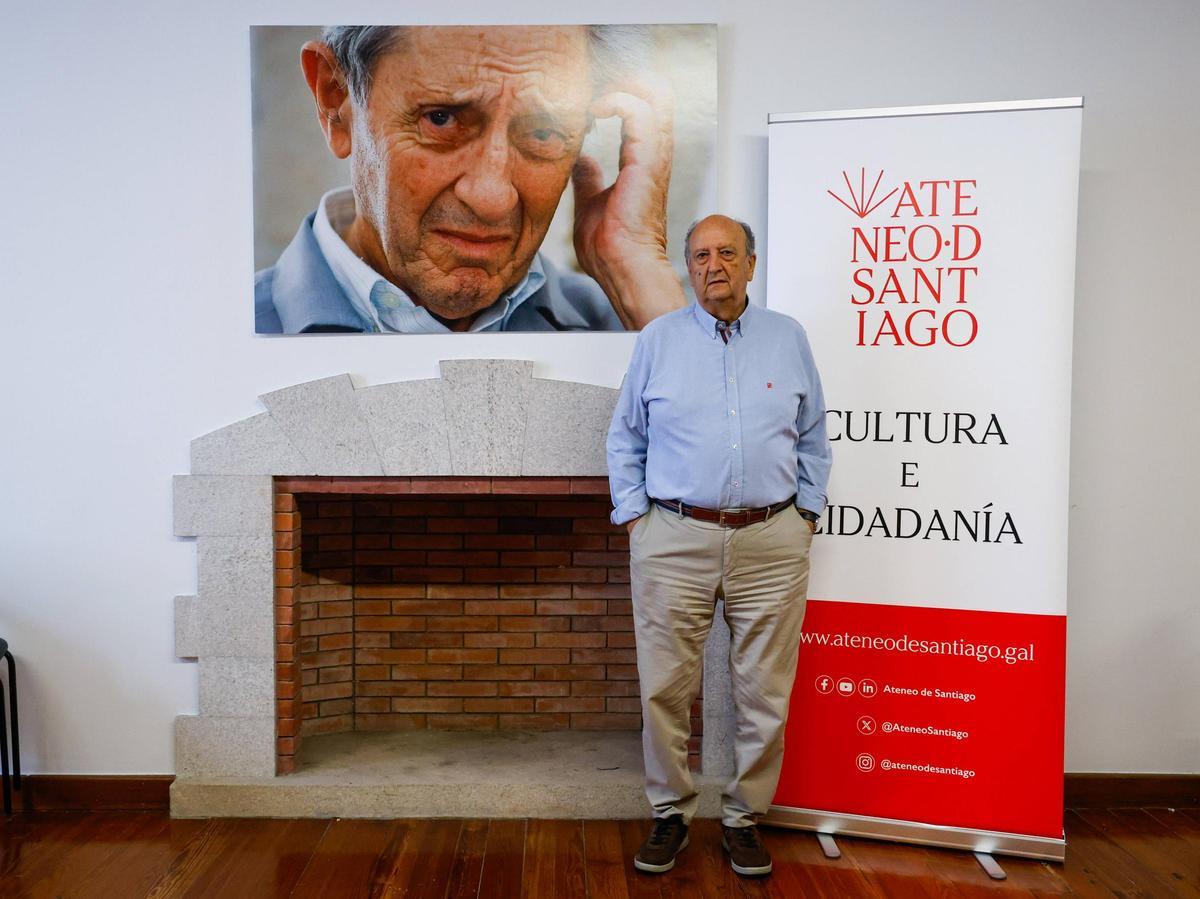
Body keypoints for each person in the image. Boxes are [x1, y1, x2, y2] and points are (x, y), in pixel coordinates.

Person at [606, 214, 832, 877]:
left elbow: (814, 432)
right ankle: (670, 812)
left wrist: (806, 513)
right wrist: (636, 519)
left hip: (772, 538)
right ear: (688, 267)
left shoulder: (788, 338)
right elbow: (625, 437)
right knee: (666, 685)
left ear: (751, 263)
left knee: (764, 689)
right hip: (673, 536)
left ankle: (743, 818)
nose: (713, 265)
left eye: (727, 253)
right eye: (701, 255)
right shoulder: (657, 341)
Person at [255, 25, 686, 334]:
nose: (492, 197)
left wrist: (638, 282)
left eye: (542, 132)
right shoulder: (215, 338)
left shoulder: (636, 328)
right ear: (337, 100)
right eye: (441, 119)